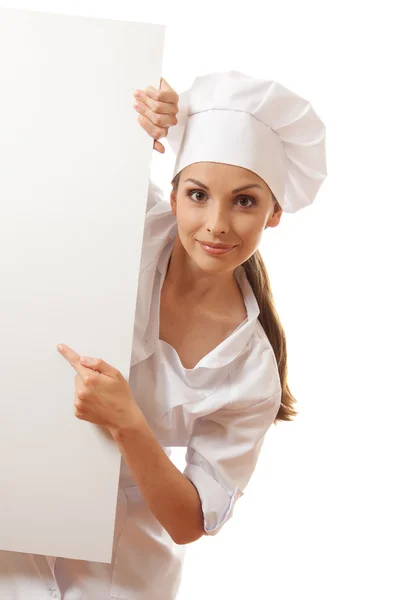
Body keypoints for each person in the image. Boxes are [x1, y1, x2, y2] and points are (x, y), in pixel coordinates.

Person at [0, 72, 327, 599]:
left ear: (275, 212)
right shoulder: (126, 226)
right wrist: (137, 112)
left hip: (125, 553)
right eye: (198, 194)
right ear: (172, 197)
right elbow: (49, 126)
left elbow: (189, 521)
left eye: (244, 201)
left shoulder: (251, 372)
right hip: (19, 492)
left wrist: (128, 423)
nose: (216, 224)